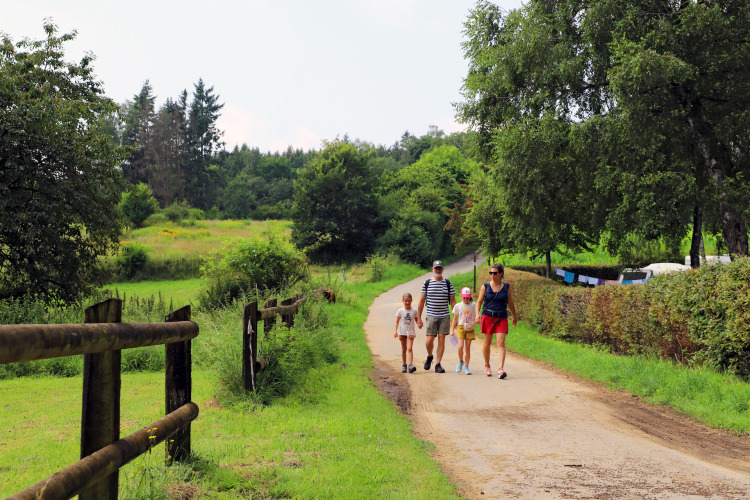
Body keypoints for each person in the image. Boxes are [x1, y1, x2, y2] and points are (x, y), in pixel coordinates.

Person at [475, 263, 517, 379]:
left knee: (501, 342)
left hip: (501, 317)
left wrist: (515, 316)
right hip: (487, 317)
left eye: (495, 273)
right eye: (491, 273)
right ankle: (487, 366)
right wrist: (477, 315)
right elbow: (479, 301)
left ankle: (500, 369)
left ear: (501, 274)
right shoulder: (485, 286)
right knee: (487, 343)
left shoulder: (507, 287)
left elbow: (510, 302)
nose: (492, 275)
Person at [417, 260, 456, 373]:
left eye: (439, 268)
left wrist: (455, 317)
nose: (438, 270)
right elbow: (421, 301)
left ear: (442, 269)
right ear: (432, 269)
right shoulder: (427, 283)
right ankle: (430, 356)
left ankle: (438, 364)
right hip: (431, 315)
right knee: (429, 340)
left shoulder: (448, 283)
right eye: (436, 268)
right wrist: (419, 317)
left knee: (441, 339)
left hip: (444, 316)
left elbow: (453, 301)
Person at [450, 287, 477, 375]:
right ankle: (461, 361)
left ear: (470, 297)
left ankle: (466, 367)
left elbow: (478, 318)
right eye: (464, 298)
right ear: (461, 296)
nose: (466, 299)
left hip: (470, 328)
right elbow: (455, 319)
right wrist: (452, 330)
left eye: (467, 298)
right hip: (461, 327)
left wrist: (474, 323)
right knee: (460, 347)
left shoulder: (474, 305)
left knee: (467, 348)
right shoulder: (458, 306)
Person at [394, 292, 420, 373]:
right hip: (402, 332)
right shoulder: (400, 311)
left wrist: (419, 324)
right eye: (406, 301)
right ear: (403, 301)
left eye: (409, 301)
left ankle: (410, 365)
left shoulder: (414, 311)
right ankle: (404, 365)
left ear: (411, 301)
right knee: (403, 349)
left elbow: (416, 320)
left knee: (409, 348)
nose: (407, 303)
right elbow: (397, 322)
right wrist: (395, 331)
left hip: (410, 332)